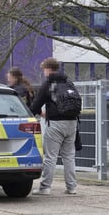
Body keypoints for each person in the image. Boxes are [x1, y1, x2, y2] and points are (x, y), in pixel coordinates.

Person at [29, 58, 78, 195]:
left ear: (48, 69)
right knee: (69, 156)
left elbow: (36, 104)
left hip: (56, 123)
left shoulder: (48, 83)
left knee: (50, 157)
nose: (43, 72)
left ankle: (45, 187)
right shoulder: (69, 82)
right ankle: (72, 187)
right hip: (72, 122)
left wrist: (31, 115)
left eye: (44, 69)